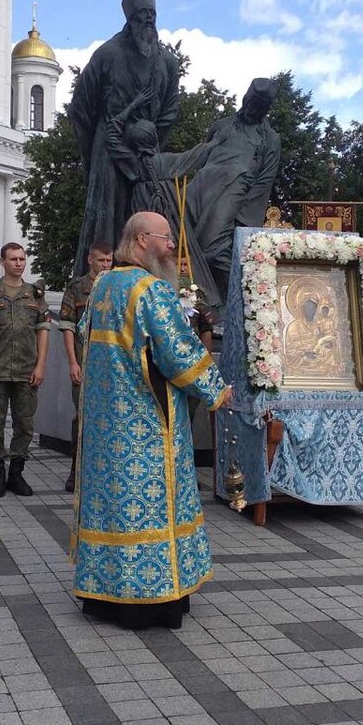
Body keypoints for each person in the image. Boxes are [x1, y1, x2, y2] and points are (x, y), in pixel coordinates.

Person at [73, 212, 230, 630]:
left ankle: (104, 594)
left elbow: (83, 334)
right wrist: (217, 390)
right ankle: (151, 600)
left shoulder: (103, 285)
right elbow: (178, 355)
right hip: (146, 425)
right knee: (151, 507)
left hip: (106, 425)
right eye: (166, 238)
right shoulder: (151, 290)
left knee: (113, 507)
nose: (172, 247)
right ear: (143, 240)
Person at [68, 0, 180, 278]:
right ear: (129, 20)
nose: (147, 22)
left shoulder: (167, 62)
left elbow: (170, 110)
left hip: (145, 148)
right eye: (141, 16)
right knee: (108, 214)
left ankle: (152, 281)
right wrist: (95, 147)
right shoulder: (107, 54)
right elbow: (81, 106)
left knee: (152, 214)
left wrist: (149, 142)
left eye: (152, 16)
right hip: (109, 147)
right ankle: (99, 281)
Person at [183, 77, 282, 306]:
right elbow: (204, 156)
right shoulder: (222, 125)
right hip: (201, 185)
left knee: (213, 250)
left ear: (266, 109)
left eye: (259, 108)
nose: (253, 110)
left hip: (234, 190)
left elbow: (263, 181)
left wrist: (243, 219)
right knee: (183, 242)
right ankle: (196, 305)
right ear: (245, 99)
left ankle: (234, 306)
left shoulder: (270, 140)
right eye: (251, 104)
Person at [0, 243, 51, 497]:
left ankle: (16, 473)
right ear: (2, 262)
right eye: (13, 259)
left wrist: (40, 365)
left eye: (22, 259)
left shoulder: (35, 295)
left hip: (26, 370)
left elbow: (43, 332)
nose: (19, 263)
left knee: (25, 424)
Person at [59, 241, 114, 492]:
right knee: (81, 418)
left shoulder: (117, 287)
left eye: (109, 260)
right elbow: (68, 327)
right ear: (90, 260)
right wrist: (73, 361)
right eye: (101, 260)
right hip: (84, 362)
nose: (106, 265)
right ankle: (75, 470)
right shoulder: (77, 288)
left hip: (112, 367)